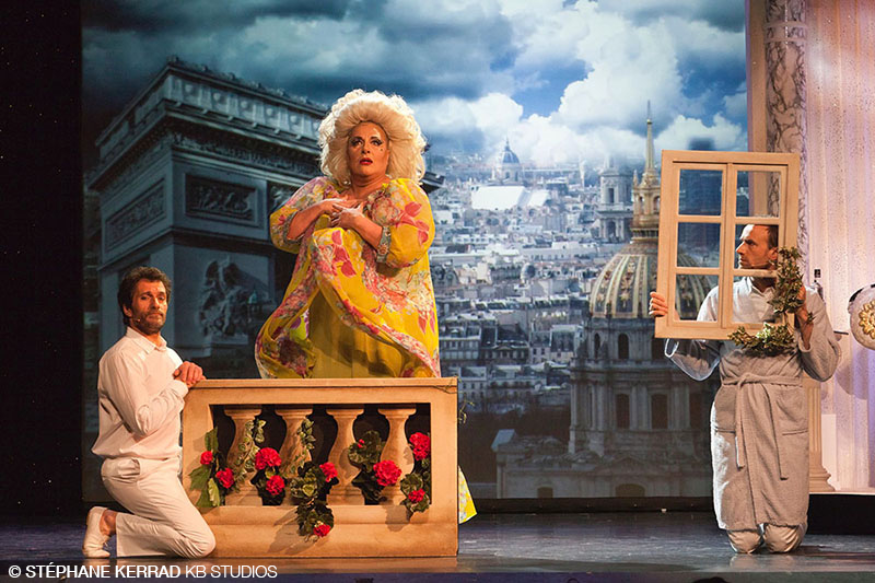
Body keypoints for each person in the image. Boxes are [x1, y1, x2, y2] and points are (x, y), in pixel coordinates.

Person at [254, 89, 475, 522]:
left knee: (383, 419)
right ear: (344, 150)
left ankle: (403, 512)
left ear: (391, 151)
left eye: (376, 142)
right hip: (329, 328)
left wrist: (357, 222)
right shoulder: (321, 190)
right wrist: (322, 208)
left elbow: (405, 249)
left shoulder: (404, 194)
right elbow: (283, 232)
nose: (365, 149)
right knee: (329, 419)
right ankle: (326, 508)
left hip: (386, 330)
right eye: (356, 142)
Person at [649, 224, 840, 553]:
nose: (739, 250)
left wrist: (803, 318)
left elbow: (823, 368)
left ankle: (788, 521)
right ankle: (746, 521)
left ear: (774, 252)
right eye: (740, 242)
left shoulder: (806, 298)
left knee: (781, 540)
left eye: (750, 243)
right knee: (744, 541)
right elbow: (700, 365)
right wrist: (674, 324)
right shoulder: (720, 297)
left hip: (780, 410)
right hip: (736, 407)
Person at [83, 267, 216, 558]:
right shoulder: (121, 356)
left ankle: (111, 522)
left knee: (197, 535)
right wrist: (180, 385)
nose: (156, 304)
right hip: (134, 470)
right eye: (145, 297)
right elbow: (143, 421)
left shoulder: (171, 356)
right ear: (127, 308)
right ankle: (109, 521)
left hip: (167, 468)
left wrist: (193, 377)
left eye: (161, 297)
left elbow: (175, 409)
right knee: (199, 543)